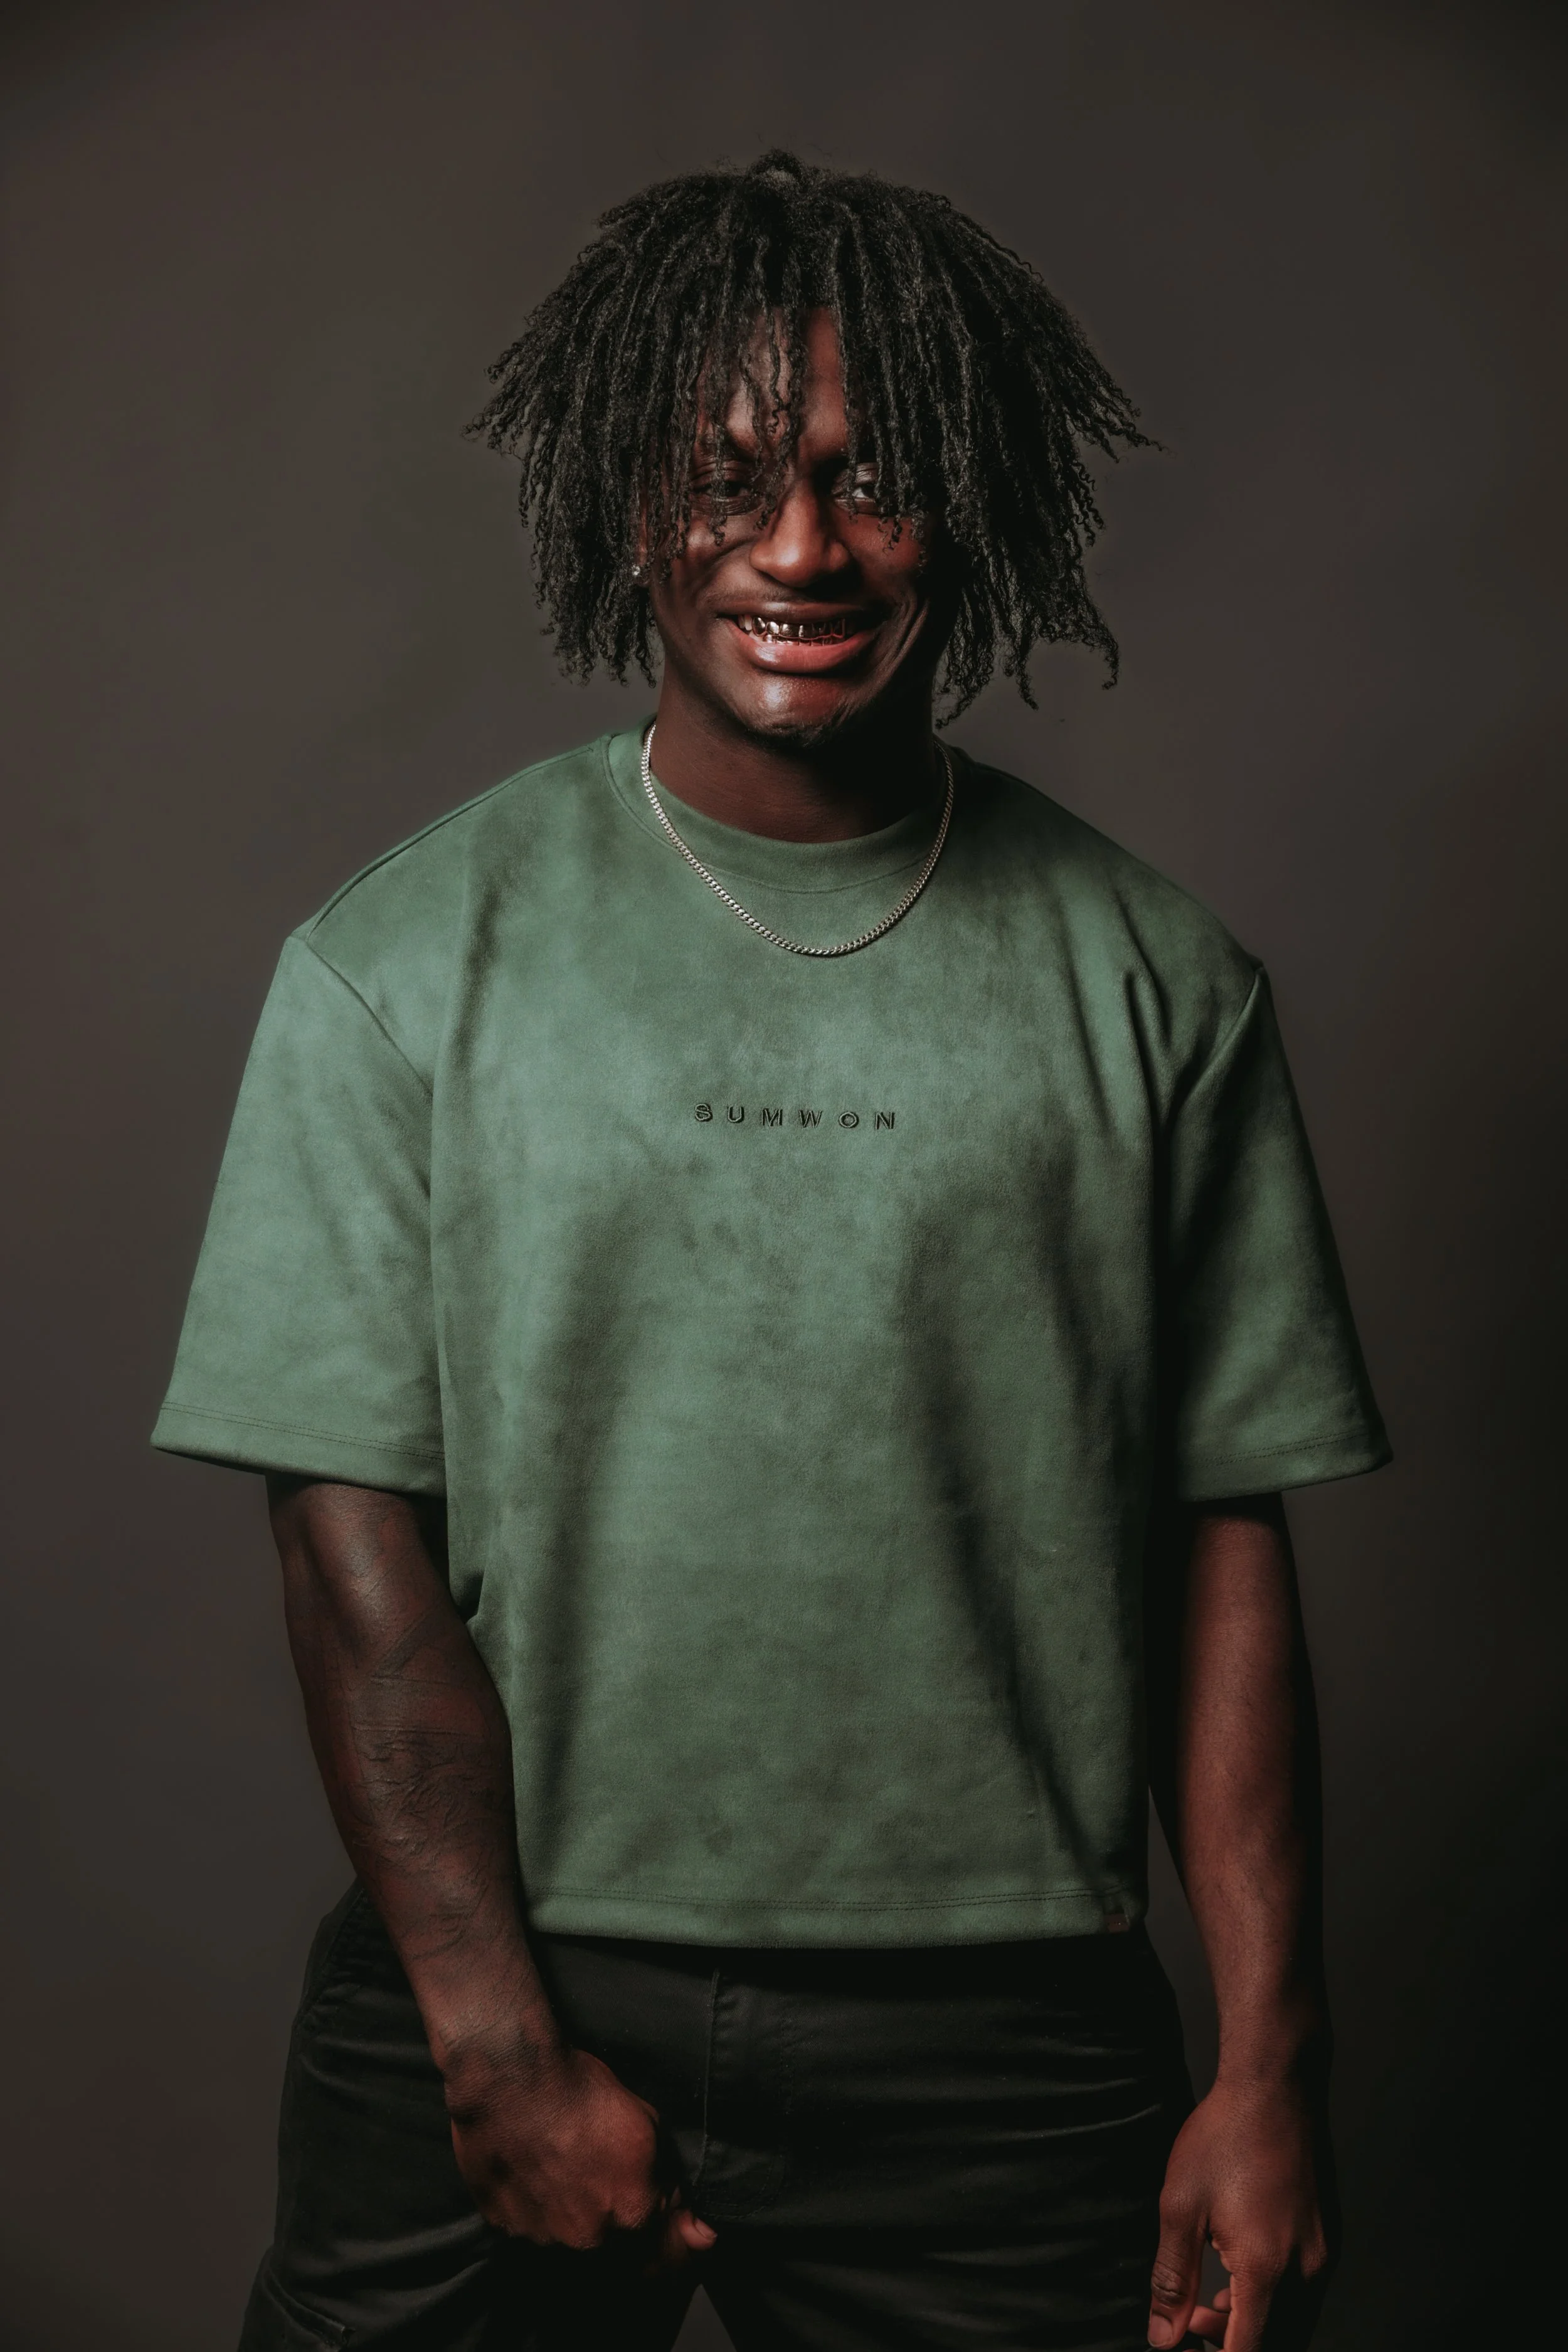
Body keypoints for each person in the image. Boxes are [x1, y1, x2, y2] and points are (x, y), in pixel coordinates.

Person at [154, 151, 1388, 2352]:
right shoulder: (400, 961)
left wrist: (1268, 2062)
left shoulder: (1154, 983)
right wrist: (495, 2048)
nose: (800, 550)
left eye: (871, 482)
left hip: (1004, 2040)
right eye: (727, 482)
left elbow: (1221, 1547)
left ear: (969, 508)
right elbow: (349, 1544)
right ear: (626, 502)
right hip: (514, 1981)